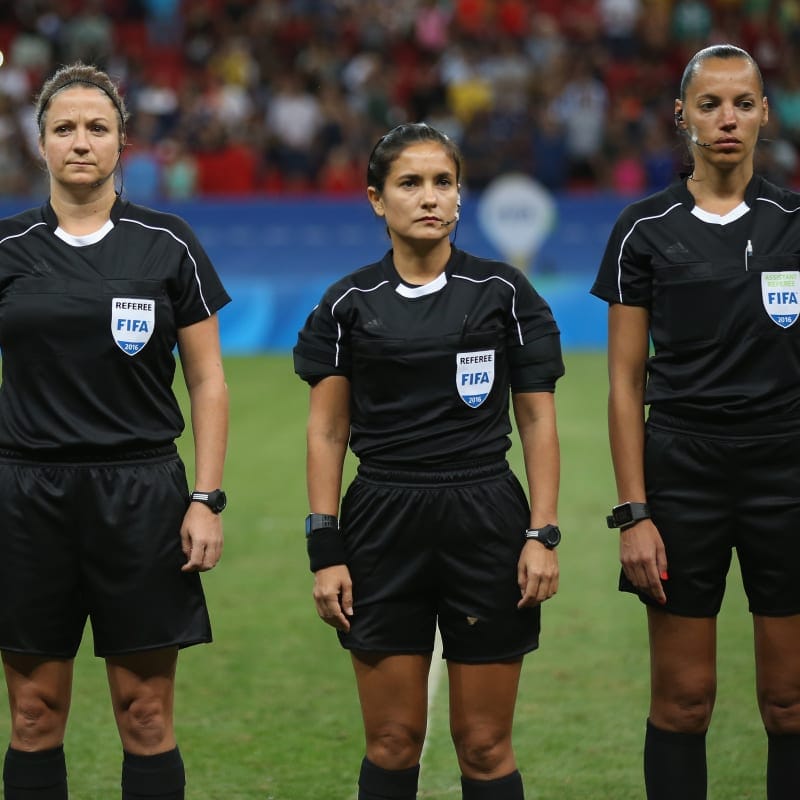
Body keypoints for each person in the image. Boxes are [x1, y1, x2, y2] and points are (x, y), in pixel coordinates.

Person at [293, 122, 564, 800]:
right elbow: (327, 431)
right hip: (383, 520)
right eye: (410, 183)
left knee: (484, 744)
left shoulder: (504, 293)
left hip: (486, 519)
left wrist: (542, 533)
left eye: (443, 182)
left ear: (460, 196)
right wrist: (325, 548)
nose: (430, 197)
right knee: (392, 741)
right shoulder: (348, 303)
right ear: (376, 200)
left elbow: (536, 419)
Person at [0, 62, 230, 800]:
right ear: (39, 144)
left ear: (123, 142)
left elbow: (207, 382)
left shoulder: (169, 243)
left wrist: (206, 497)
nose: (80, 142)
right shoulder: (6, 250)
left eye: (97, 128)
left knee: (146, 713)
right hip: (25, 497)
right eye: (63, 128)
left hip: (142, 496)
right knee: (34, 716)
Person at [591, 44, 800, 800]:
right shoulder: (643, 229)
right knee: (684, 701)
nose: (727, 118)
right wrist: (634, 512)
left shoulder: (795, 221)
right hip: (683, 481)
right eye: (709, 104)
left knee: (789, 703)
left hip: (787, 475)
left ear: (764, 113)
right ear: (681, 116)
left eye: (743, 102)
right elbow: (624, 383)